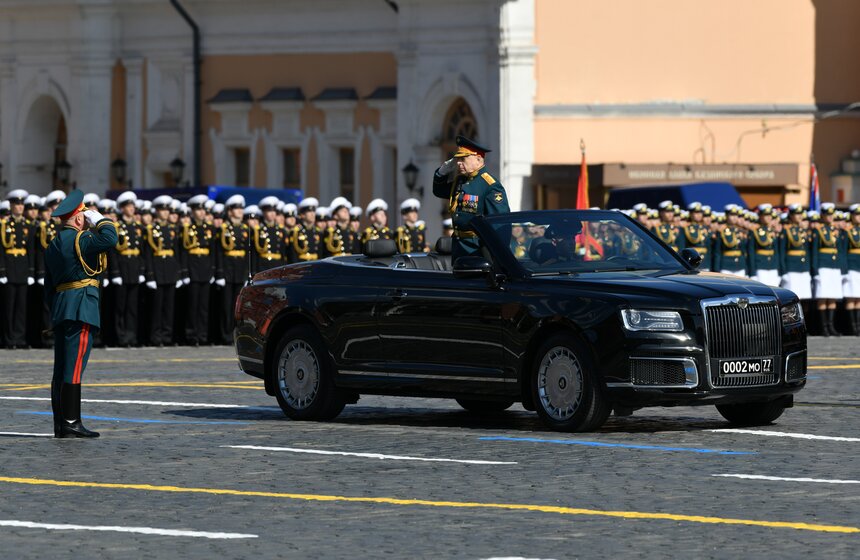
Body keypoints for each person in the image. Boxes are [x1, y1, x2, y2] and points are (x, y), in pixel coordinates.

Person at [43, 189, 117, 438]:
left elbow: (48, 287)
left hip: (63, 307)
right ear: (77, 219)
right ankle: (71, 421)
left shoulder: (53, 245)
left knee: (61, 367)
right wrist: (101, 220)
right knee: (74, 367)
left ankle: (60, 423)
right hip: (82, 306)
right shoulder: (80, 240)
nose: (86, 220)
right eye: (84, 216)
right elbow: (110, 239)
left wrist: (55, 309)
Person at [432, 135, 509, 261]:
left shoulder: (489, 186)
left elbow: (500, 225)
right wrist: (442, 172)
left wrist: (496, 257)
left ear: (478, 159)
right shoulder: (460, 180)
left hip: (477, 251)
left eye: (463, 158)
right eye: (458, 159)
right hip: (459, 249)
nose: (458, 163)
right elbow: (439, 191)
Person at [145, 195, 182, 346]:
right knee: (157, 307)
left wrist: (179, 273)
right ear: (157, 212)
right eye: (162, 210)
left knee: (169, 307)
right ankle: (156, 337)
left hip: (171, 270)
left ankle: (167, 336)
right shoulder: (151, 230)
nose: (166, 213)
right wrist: (151, 275)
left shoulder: (173, 229)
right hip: (158, 269)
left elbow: (177, 252)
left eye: (167, 210)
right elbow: (148, 254)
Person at [1, 189, 35, 348]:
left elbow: (31, 250)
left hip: (22, 268)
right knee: (9, 306)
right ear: (11, 206)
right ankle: (9, 339)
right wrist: (1, 271)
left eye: (22, 205)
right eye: (17, 204)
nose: (20, 207)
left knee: (22, 306)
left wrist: (31, 271)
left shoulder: (27, 225)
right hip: (9, 268)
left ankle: (20, 338)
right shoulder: (5, 225)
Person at [215, 195, 249, 344]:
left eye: (241, 208)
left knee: (239, 306)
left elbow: (248, 253)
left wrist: (248, 273)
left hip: (240, 270)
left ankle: (237, 334)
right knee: (226, 305)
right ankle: (226, 334)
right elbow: (219, 252)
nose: (240, 211)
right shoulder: (224, 229)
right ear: (230, 211)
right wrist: (220, 273)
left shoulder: (244, 229)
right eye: (237, 208)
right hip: (228, 270)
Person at [812, 202, 843, 336]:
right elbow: (814, 251)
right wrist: (816, 270)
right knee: (823, 297)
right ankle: (823, 327)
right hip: (823, 266)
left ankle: (831, 326)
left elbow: (839, 250)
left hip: (834, 266)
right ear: (822, 216)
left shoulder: (834, 230)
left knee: (832, 297)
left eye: (831, 215)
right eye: (827, 215)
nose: (830, 217)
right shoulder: (818, 230)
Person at [747, 204, 780, 287]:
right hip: (760, 265)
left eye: (770, 215)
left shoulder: (772, 231)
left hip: (773, 265)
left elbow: (776, 252)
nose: (769, 217)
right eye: (766, 215)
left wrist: (778, 269)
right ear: (760, 216)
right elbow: (751, 252)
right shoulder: (754, 232)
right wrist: (752, 272)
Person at [289, 197, 320, 263]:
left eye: (313, 211)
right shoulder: (296, 232)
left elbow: (321, 252)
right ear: (302, 215)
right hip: (302, 264)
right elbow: (292, 253)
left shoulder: (317, 231)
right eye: (309, 212)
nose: (312, 214)